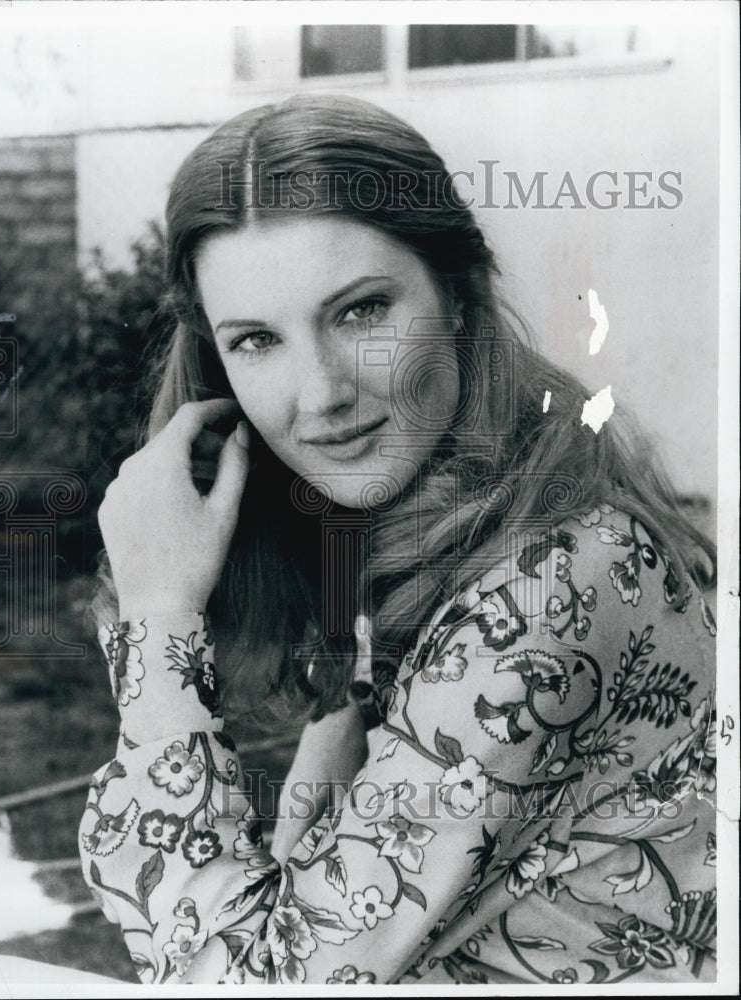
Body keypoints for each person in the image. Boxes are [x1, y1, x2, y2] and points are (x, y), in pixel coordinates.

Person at [80, 95, 717, 985]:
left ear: (456, 295)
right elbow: (310, 890)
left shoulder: (551, 584)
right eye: (257, 340)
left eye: (360, 312)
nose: (321, 393)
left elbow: (253, 983)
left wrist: (158, 617)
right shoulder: (429, 541)